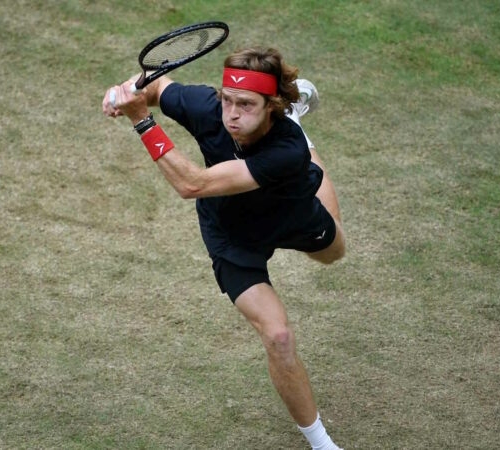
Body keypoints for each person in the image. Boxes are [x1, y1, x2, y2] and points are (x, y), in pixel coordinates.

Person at [102, 46, 346, 450]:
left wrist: (141, 120)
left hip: (290, 212)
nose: (231, 113)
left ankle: (297, 120)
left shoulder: (286, 151)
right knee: (279, 337)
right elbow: (158, 85)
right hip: (231, 232)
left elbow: (191, 184)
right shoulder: (209, 106)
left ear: (272, 106)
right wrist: (128, 89)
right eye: (227, 99)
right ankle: (322, 444)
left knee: (334, 252)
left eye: (246, 104)